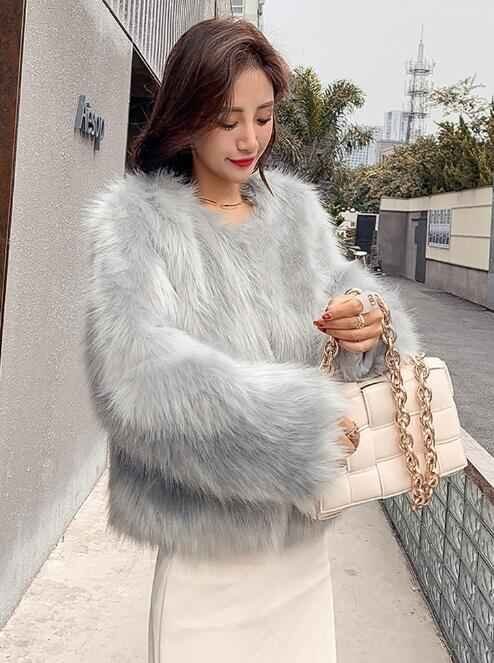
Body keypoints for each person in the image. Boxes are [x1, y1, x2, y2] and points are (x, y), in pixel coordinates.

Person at [82, 17, 419, 663]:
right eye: (227, 118)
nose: (249, 139)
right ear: (186, 117)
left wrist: (370, 324)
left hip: (302, 545)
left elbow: (348, 304)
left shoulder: (297, 214)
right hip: (206, 554)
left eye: (263, 117)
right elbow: (136, 379)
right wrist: (298, 427)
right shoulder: (136, 222)